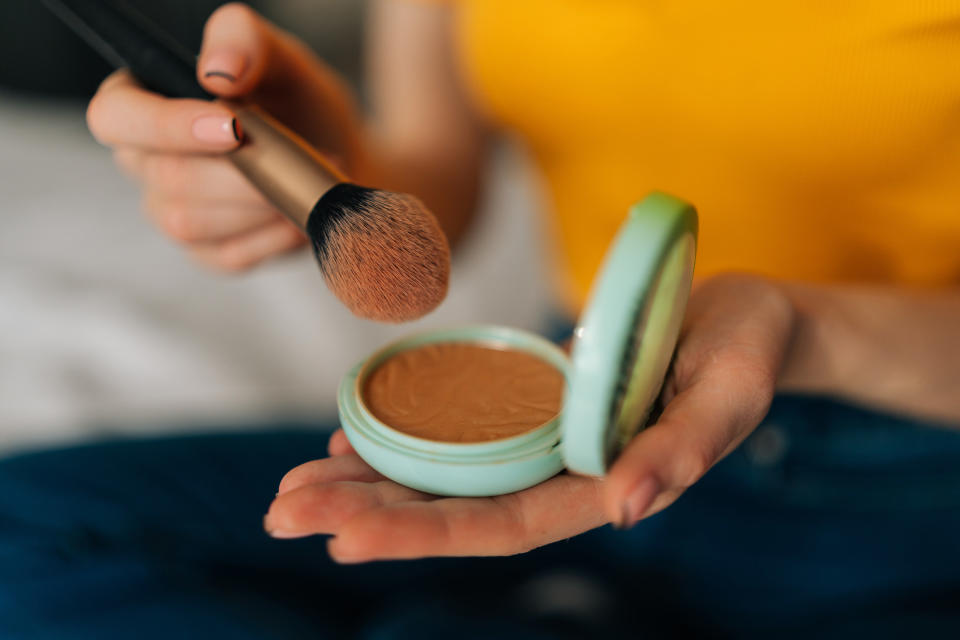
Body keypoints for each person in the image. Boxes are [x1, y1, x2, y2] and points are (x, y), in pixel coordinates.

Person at [4, 1, 960, 637]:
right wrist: (312, 164)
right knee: (27, 534)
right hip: (564, 430)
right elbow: (433, 178)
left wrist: (800, 327)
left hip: (899, 481)